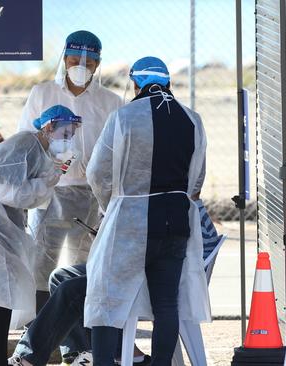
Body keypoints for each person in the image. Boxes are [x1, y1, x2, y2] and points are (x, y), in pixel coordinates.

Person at [84, 56, 210, 365]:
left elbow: (98, 172)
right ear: (167, 82)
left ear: (136, 83)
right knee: (167, 304)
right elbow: (197, 179)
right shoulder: (192, 119)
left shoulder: (125, 116)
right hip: (177, 221)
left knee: (107, 299)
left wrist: (110, 209)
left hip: (130, 222)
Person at [8, 198, 222, 366]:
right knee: (62, 276)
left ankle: (28, 358)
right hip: (145, 272)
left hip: (157, 283)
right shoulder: (177, 202)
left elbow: (149, 258)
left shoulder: (176, 210)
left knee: (70, 290)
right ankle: (83, 353)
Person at [17, 30, 123, 310]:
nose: (80, 68)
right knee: (41, 258)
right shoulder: (42, 93)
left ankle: (76, 326)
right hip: (48, 191)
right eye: (75, 60)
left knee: (82, 261)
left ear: (97, 65)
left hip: (90, 195)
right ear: (64, 58)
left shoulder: (110, 103)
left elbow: (117, 151)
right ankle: (38, 322)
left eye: (88, 64)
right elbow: (25, 139)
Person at [0, 105, 81, 365]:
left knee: (6, 295)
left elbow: (32, 196)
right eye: (65, 133)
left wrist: (52, 174)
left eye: (72, 134)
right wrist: (52, 175)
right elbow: (11, 193)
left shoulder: (39, 151)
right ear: (48, 128)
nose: (68, 139)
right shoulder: (23, 144)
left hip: (3, 226)